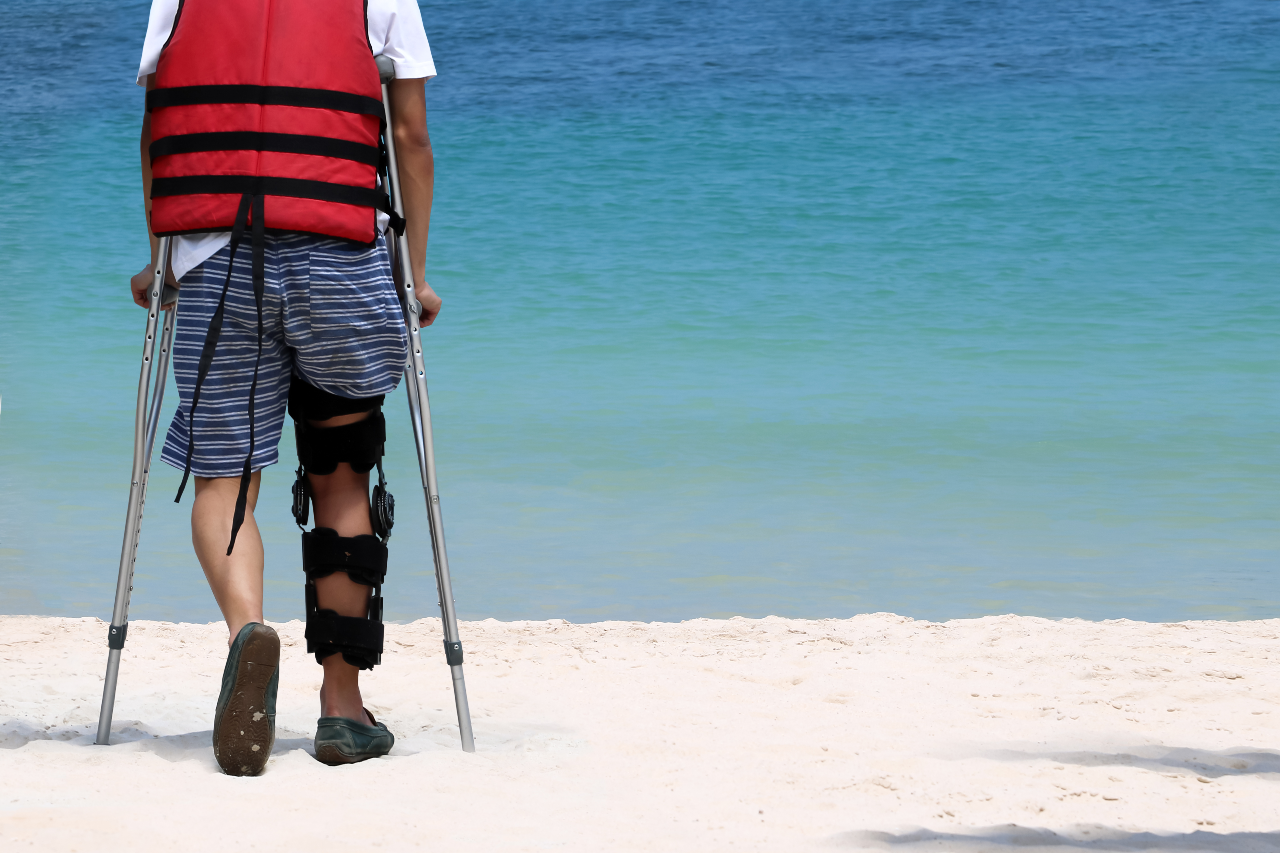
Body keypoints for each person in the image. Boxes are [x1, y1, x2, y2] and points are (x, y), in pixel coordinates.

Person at [128, 0, 441, 776]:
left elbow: (158, 133)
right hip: (341, 252)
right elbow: (409, 139)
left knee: (224, 476)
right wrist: (418, 276)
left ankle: (246, 634)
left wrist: (158, 259)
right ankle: (342, 709)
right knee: (342, 470)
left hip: (216, 256)